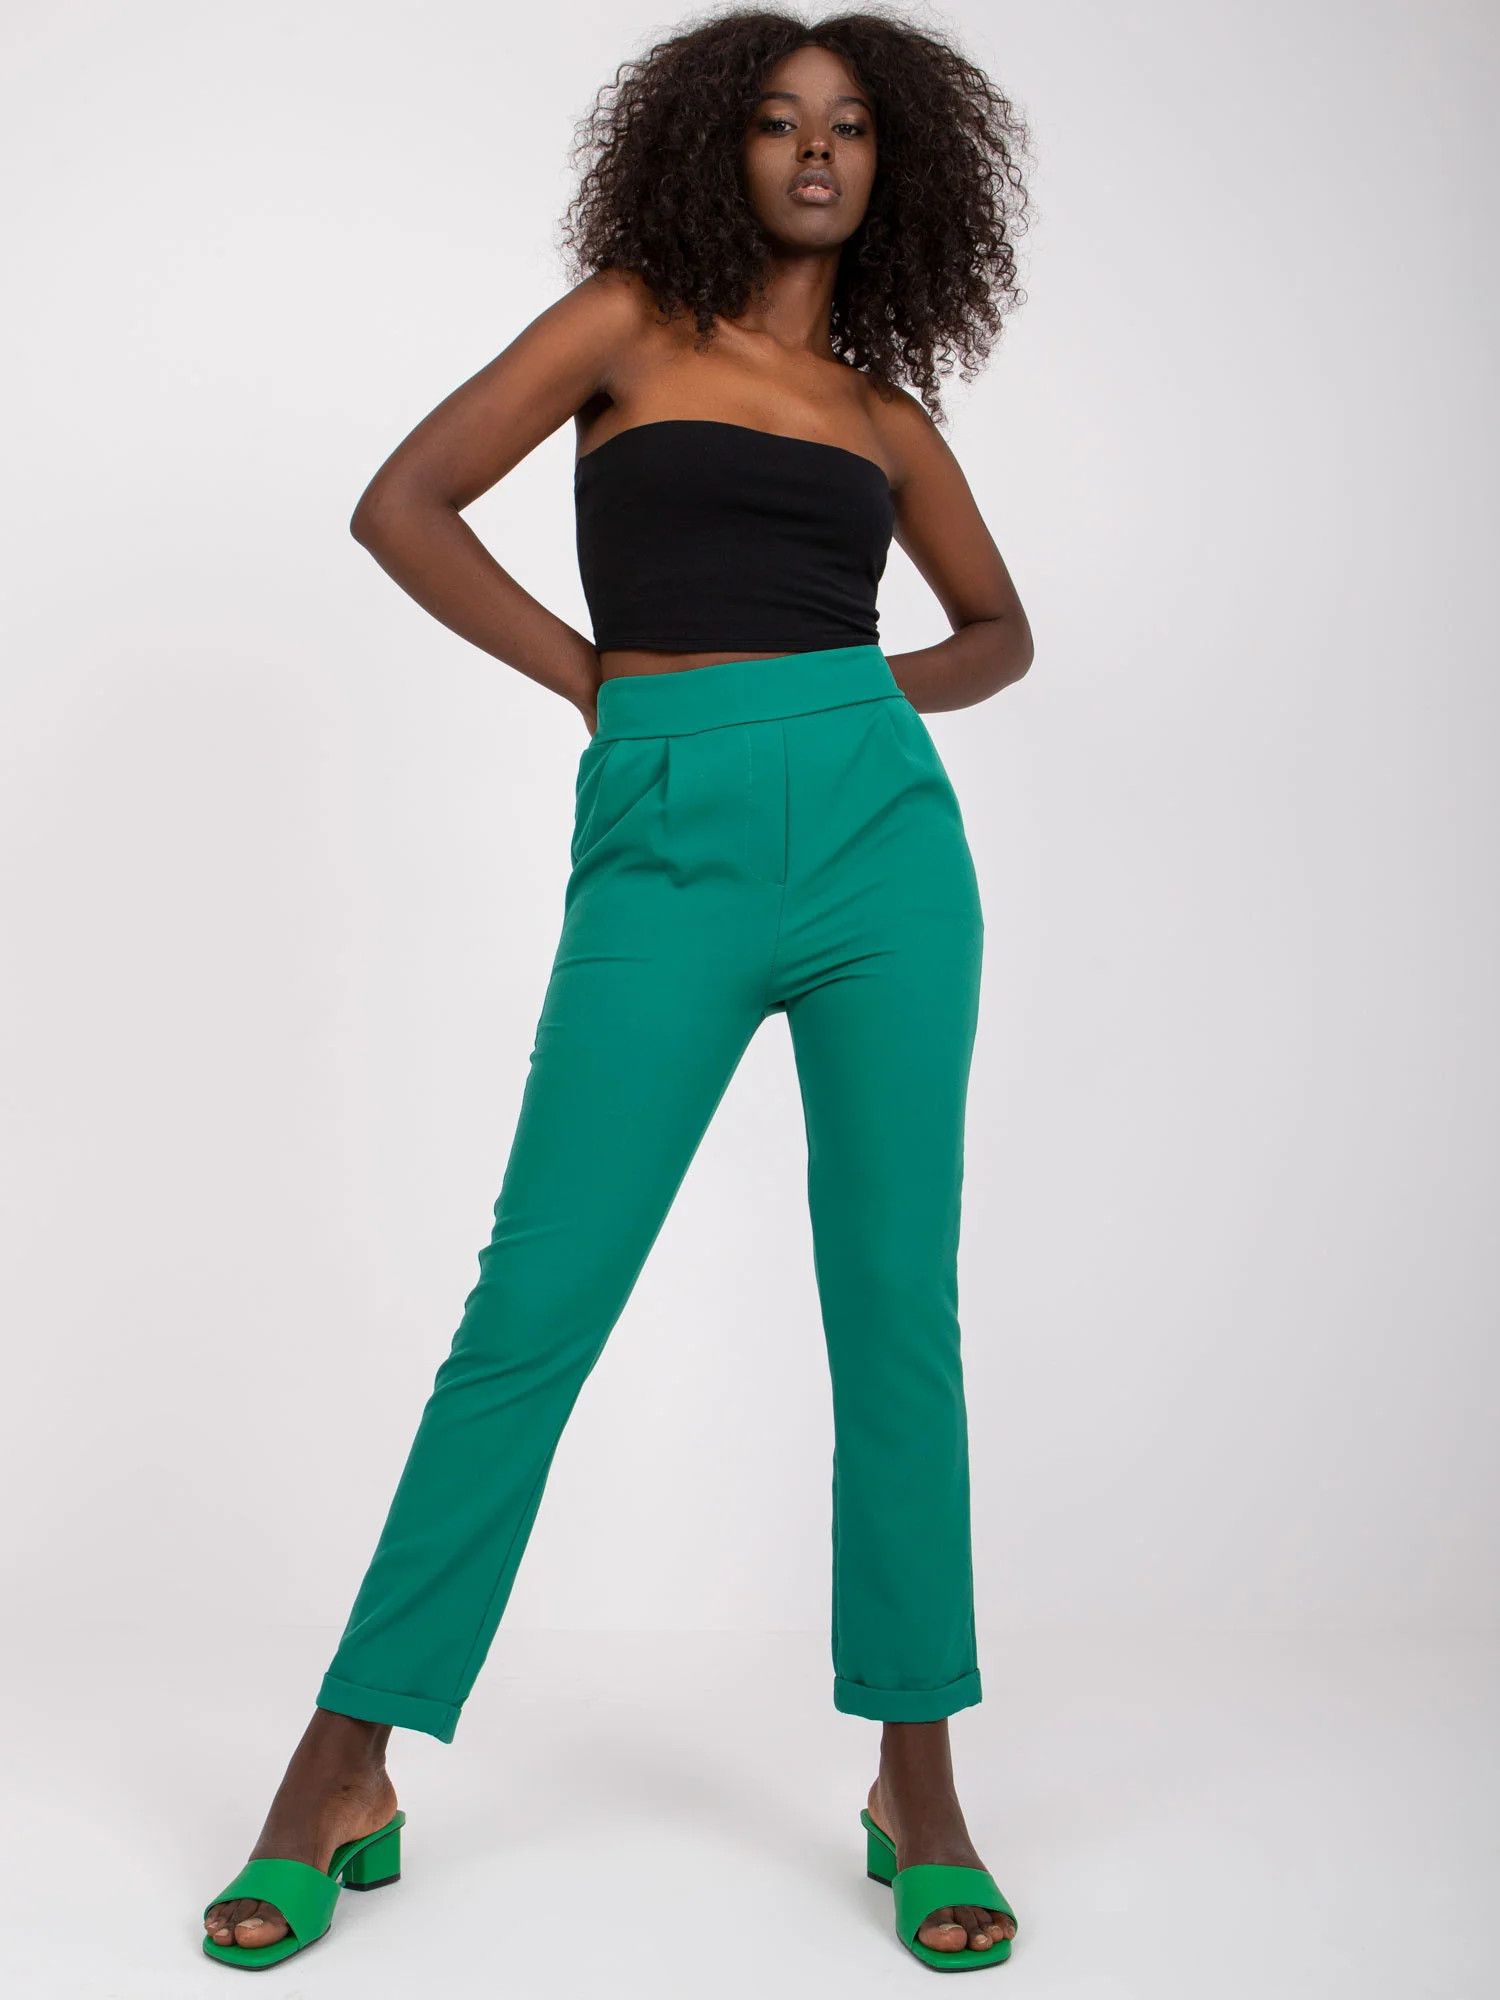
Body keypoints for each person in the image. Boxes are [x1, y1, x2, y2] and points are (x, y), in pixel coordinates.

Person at [201, 6, 1034, 1972]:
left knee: (893, 1314)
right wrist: (597, 681)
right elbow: (404, 502)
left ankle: (918, 1777)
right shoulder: (629, 326)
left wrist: (858, 699)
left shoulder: (887, 418)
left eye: (851, 126)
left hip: (885, 850)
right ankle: (340, 1766)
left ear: (896, 168)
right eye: (779, 120)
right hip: (664, 831)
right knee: (536, 1307)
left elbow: (1001, 629)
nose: (816, 150)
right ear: (715, 145)